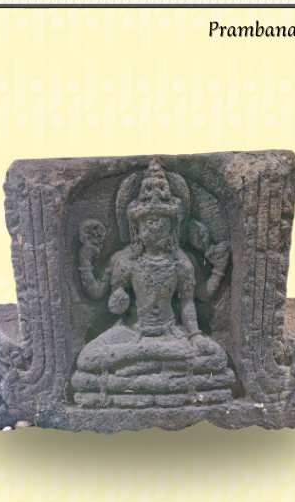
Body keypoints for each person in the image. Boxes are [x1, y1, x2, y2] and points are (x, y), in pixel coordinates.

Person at [72, 160, 234, 408]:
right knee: (86, 358)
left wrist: (195, 335)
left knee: (217, 358)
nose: (155, 228)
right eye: (148, 224)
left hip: (171, 333)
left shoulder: (181, 262)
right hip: (132, 332)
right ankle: (158, 367)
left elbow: (189, 302)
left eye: (161, 224)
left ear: (173, 228)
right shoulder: (125, 261)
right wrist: (86, 263)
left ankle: (131, 373)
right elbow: (98, 293)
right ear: (136, 228)